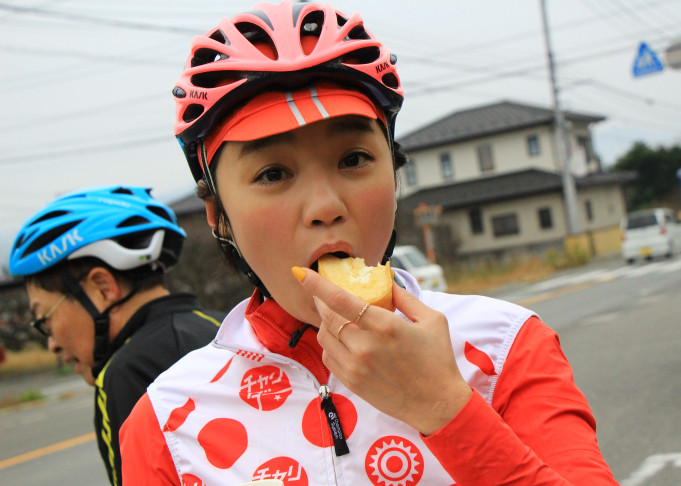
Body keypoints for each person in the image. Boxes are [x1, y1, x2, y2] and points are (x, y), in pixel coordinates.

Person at [120, 1, 619, 484]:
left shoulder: (507, 348)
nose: (325, 206)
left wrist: (445, 409)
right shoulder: (167, 424)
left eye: (354, 159)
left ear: (395, 178)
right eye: (273, 173)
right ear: (218, 216)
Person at [8, 185, 223, 486]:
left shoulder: (125, 371)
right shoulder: (226, 328)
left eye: (45, 317)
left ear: (102, 287)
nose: (51, 343)